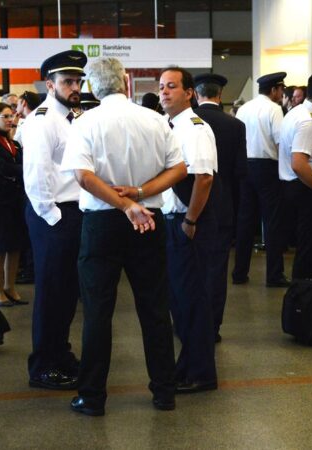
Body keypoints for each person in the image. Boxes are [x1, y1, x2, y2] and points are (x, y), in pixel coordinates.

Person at [61, 57, 186, 417]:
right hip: (149, 219)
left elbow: (83, 177)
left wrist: (122, 205)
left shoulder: (87, 122)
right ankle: (165, 391)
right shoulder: (154, 119)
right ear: (125, 83)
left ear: (92, 88)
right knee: (154, 307)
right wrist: (139, 194)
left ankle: (92, 396)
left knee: (98, 312)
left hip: (103, 224)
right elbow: (179, 169)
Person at [22, 50, 87, 390]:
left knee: (65, 292)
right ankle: (43, 366)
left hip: (70, 213)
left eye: (77, 81)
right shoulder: (42, 119)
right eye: (67, 81)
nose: (74, 86)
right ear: (50, 84)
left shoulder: (69, 118)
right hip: (54, 215)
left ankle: (60, 355)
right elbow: (36, 174)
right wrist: (54, 218)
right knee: (51, 292)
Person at [158, 67, 219, 393]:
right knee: (180, 303)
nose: (165, 92)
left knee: (192, 301)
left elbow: (203, 177)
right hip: (174, 222)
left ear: (190, 93)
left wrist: (190, 221)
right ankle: (188, 366)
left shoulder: (194, 128)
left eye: (172, 87)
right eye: (162, 87)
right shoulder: (173, 126)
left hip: (189, 224)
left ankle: (201, 373)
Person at [194, 73, 247, 342]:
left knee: (188, 268)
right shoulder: (234, 125)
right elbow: (240, 171)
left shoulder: (184, 122)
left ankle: (187, 322)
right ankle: (212, 326)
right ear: (220, 95)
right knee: (216, 269)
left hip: (188, 203)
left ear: (195, 93)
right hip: (222, 205)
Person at [233, 72, 290, 287]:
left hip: (245, 166)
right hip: (267, 167)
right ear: (274, 90)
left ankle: (239, 272)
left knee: (245, 220)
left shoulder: (244, 108)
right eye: (281, 90)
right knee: (272, 221)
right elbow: (279, 140)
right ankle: (274, 275)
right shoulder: (274, 109)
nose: (281, 94)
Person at [279, 71, 312, 280]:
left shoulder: (294, 112)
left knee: (306, 248)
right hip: (308, 188)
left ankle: (303, 297)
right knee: (310, 251)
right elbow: (299, 163)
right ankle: (305, 300)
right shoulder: (309, 121)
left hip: (296, 187)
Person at [0, 102, 28, 307]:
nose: (11, 120)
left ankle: (10, 286)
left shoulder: (14, 143)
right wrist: (22, 169)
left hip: (15, 197)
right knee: (0, 245)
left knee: (15, 245)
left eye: (12, 116)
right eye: (6, 117)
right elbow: (2, 169)